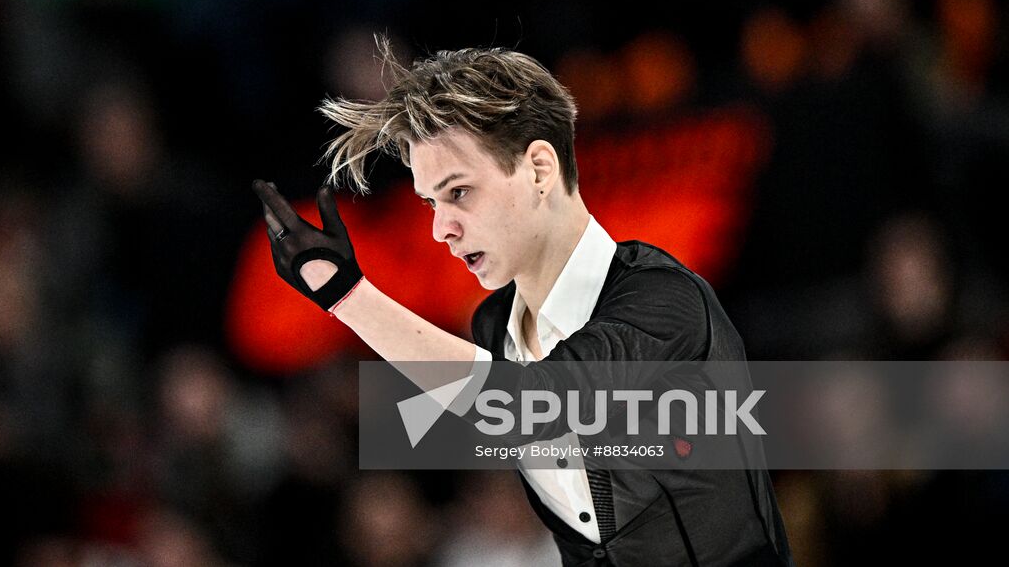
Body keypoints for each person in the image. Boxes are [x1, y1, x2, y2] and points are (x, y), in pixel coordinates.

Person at [253, 38, 792, 567]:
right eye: (430, 202)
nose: (442, 228)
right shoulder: (492, 326)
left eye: (458, 192)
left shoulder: (665, 301)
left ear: (539, 168)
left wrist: (347, 295)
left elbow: (529, 407)